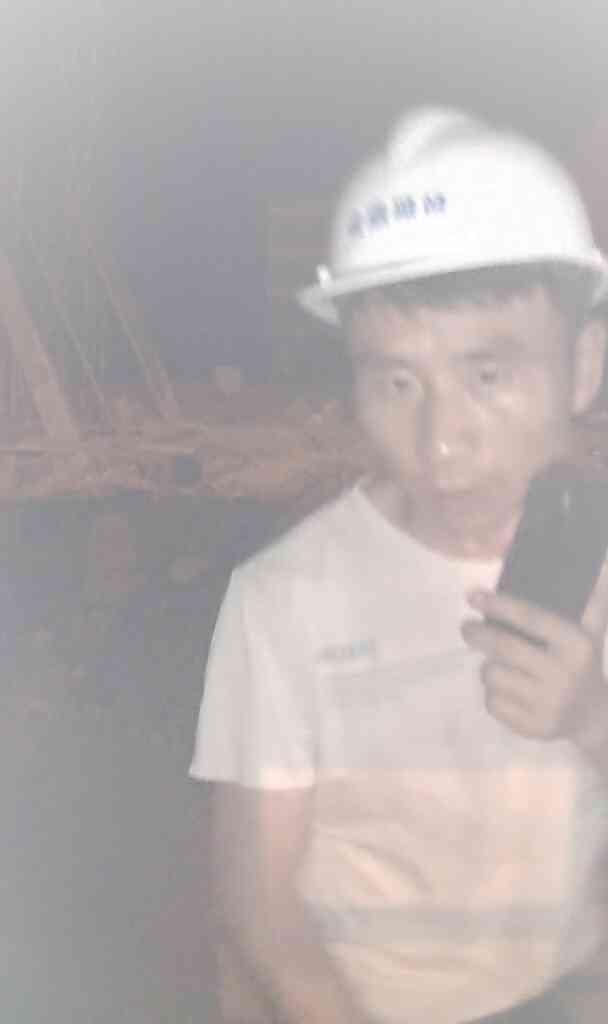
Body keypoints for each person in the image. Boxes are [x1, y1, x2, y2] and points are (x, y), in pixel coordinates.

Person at [189, 108, 608, 1024]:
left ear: (584, 366)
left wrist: (591, 717)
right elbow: (259, 908)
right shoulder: (284, 601)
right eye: (396, 382)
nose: (441, 442)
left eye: (488, 375)